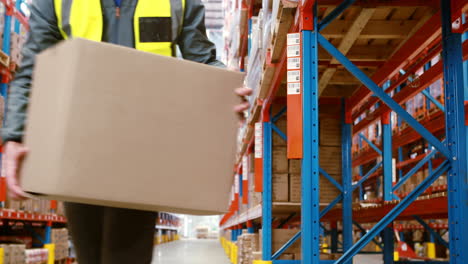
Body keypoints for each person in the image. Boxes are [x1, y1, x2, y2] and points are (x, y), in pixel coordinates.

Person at [1, 0, 252, 263]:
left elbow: (201, 59)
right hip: (79, 142)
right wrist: (15, 135)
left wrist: (225, 89)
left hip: (142, 144)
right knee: (90, 251)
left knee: (128, 252)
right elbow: (32, 67)